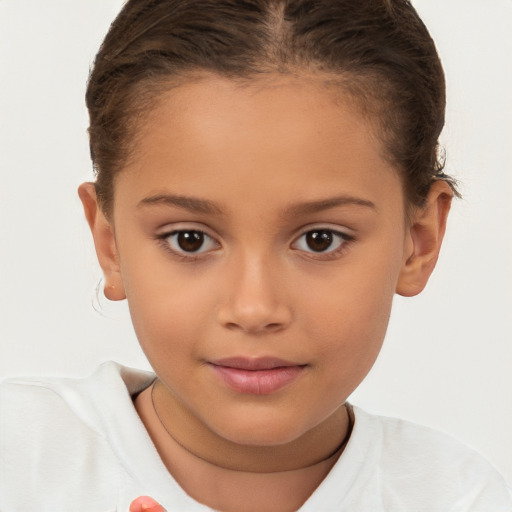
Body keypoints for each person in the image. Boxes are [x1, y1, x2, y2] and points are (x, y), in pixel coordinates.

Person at [0, 0, 511, 510]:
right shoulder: (19, 457)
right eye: (189, 240)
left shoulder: (459, 497)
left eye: (320, 240)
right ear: (109, 243)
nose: (254, 308)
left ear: (417, 241)